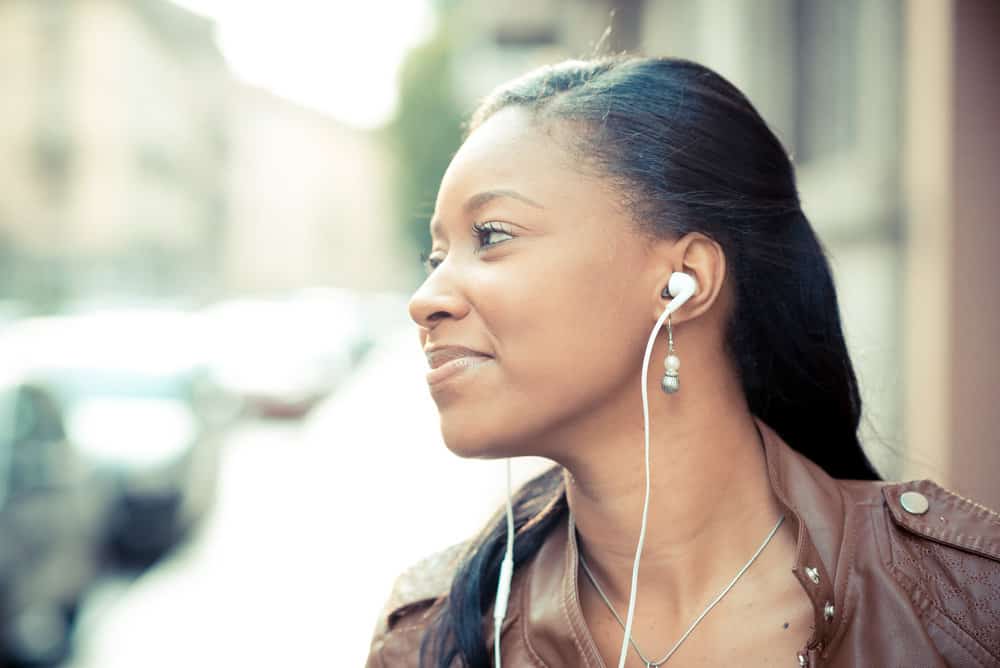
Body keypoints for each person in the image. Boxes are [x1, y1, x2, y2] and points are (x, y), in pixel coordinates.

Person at [365, 56, 1000, 668]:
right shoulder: (433, 638)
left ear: (684, 279)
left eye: (492, 235)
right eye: (436, 257)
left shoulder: (966, 607)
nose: (427, 300)